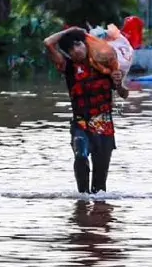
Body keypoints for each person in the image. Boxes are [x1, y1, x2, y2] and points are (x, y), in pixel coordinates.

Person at [43, 27, 128, 194]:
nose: (76, 50)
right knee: (80, 156)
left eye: (78, 44)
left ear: (86, 44)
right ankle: (81, 200)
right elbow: (48, 43)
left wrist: (118, 83)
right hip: (81, 124)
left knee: (100, 185)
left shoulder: (104, 65)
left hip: (104, 127)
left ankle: (97, 215)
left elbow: (124, 95)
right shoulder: (68, 67)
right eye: (71, 49)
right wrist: (73, 30)